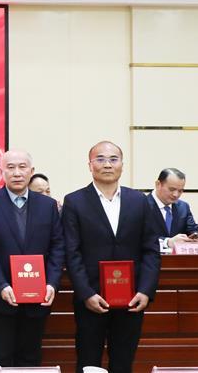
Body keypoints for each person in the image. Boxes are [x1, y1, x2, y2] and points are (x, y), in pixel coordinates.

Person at [62, 140, 161, 373]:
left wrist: (145, 291)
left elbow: (151, 250)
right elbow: (72, 252)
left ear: (122, 165)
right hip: (91, 299)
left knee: (123, 364)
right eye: (100, 159)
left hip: (132, 299)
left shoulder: (139, 201)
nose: (107, 164)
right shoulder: (74, 201)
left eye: (113, 159)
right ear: (90, 165)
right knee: (88, 364)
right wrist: (86, 294)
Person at [0, 150, 65, 372]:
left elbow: (57, 246)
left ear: (31, 171)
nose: (16, 173)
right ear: (1, 172)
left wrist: (51, 283)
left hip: (38, 298)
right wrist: (0, 285)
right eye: (10, 167)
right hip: (0, 298)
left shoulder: (48, 205)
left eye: (22, 167)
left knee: (30, 359)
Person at [146, 167, 198, 251]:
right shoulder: (142, 205)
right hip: (150, 257)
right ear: (158, 184)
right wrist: (167, 242)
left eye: (180, 191)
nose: (176, 194)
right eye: (172, 189)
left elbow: (193, 230)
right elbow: (138, 237)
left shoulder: (183, 207)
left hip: (178, 258)